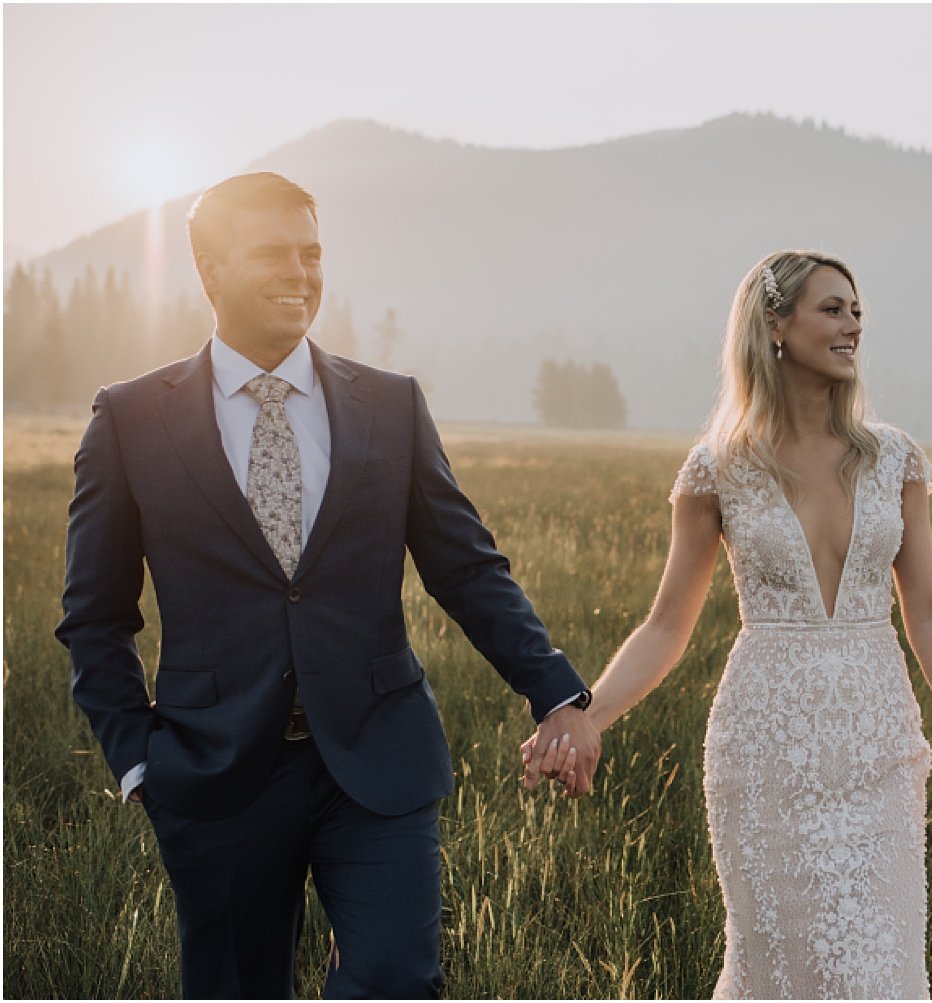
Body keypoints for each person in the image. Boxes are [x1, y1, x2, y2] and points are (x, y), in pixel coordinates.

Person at [56, 172, 600, 999]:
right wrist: (139, 759)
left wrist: (556, 693)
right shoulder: (130, 419)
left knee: (393, 979)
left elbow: (467, 568)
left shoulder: (390, 404)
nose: (300, 273)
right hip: (214, 771)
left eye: (312, 253)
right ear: (207, 268)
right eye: (273, 253)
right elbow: (94, 617)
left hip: (380, 758)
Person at [522, 250, 932, 998]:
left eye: (857, 312)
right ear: (775, 326)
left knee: (883, 973)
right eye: (833, 309)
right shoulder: (718, 468)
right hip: (764, 752)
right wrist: (590, 716)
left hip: (879, 751)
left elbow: (930, 611)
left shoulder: (895, 458)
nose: (853, 326)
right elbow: (665, 624)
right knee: (777, 970)